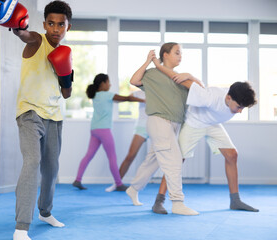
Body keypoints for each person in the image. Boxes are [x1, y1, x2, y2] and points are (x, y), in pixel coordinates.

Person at [151, 59, 259, 213]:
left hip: (212, 124)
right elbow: (180, 79)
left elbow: (199, 85)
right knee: (176, 161)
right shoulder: (209, 97)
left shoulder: (232, 98)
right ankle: (158, 201)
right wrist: (158, 65)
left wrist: (193, 76)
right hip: (194, 123)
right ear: (228, 98)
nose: (240, 111)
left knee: (232, 155)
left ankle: (235, 200)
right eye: (239, 107)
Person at [12, 1, 73, 240]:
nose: (56, 29)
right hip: (29, 113)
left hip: (54, 116)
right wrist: (17, 26)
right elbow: (23, 35)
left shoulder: (66, 53)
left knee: (51, 169)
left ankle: (45, 212)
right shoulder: (37, 40)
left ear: (68, 26)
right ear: (44, 23)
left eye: (61, 24)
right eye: (51, 23)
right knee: (32, 162)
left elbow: (66, 93)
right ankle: (21, 227)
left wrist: (65, 74)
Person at [127, 43, 201, 215]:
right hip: (159, 121)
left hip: (175, 124)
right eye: (177, 53)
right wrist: (148, 62)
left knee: (152, 161)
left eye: (181, 53)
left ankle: (133, 188)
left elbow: (199, 89)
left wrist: (189, 76)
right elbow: (134, 81)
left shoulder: (180, 76)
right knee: (174, 161)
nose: (180, 56)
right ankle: (177, 202)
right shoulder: (152, 74)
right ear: (165, 55)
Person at [72, 73, 145, 192]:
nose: (110, 84)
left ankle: (77, 179)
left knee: (88, 155)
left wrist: (133, 98)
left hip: (94, 129)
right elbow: (126, 99)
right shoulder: (107, 95)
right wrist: (142, 100)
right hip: (104, 130)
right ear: (102, 83)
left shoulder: (95, 95)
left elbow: (122, 99)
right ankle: (119, 183)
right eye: (108, 82)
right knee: (112, 157)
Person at [105, 89, 148, 192]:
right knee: (131, 155)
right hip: (142, 126)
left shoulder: (158, 89)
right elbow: (124, 99)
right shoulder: (139, 92)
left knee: (163, 157)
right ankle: (117, 184)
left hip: (157, 125)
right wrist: (142, 100)